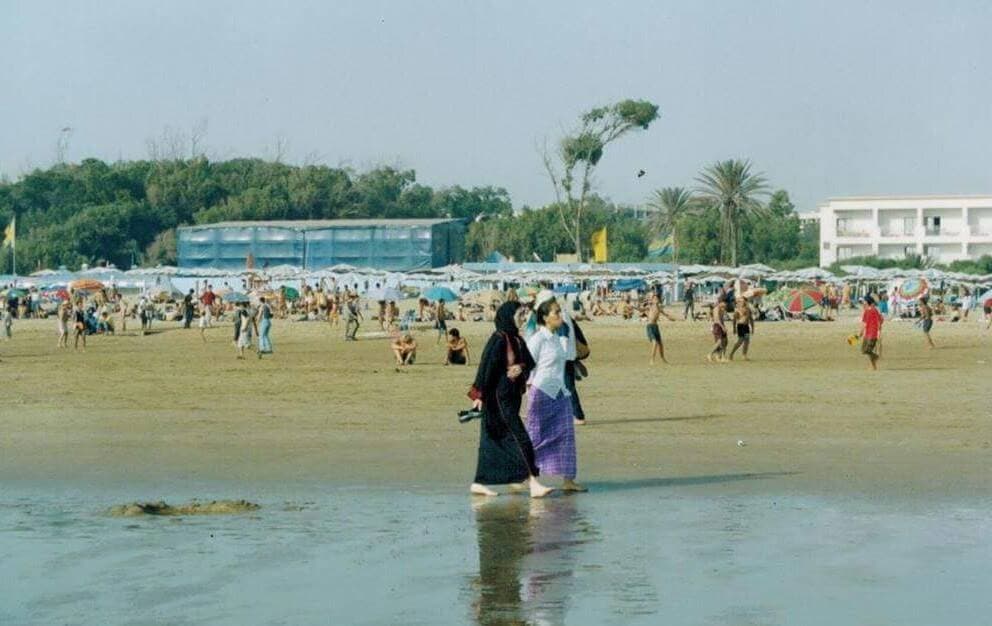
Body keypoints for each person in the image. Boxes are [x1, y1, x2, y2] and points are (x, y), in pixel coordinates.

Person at [467, 301, 553, 498]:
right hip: (498, 398)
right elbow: (485, 368)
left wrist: (520, 367)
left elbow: (529, 362)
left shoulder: (517, 339)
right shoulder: (498, 339)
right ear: (508, 316)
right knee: (519, 437)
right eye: (519, 315)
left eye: (524, 315)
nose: (523, 319)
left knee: (492, 439)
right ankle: (533, 482)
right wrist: (478, 396)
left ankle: (481, 483)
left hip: (512, 398)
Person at [524, 297, 585, 492]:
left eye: (560, 311)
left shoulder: (559, 338)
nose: (560, 315)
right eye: (556, 312)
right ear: (545, 317)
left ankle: (568, 481)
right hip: (541, 392)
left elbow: (564, 362)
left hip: (560, 392)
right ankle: (527, 477)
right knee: (536, 437)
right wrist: (525, 390)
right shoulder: (537, 339)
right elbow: (526, 366)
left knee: (566, 436)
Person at [645, 292, 674, 364]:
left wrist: (673, 318)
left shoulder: (659, 308)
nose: (656, 299)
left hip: (655, 327)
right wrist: (634, 307)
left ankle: (663, 358)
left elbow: (666, 315)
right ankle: (651, 360)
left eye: (657, 298)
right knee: (655, 343)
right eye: (655, 298)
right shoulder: (650, 306)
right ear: (653, 300)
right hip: (650, 326)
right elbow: (642, 309)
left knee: (660, 344)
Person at [859, 295, 883, 370]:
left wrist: (879, 332)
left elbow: (879, 320)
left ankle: (876, 357)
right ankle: (874, 365)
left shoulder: (874, 310)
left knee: (867, 350)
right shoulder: (866, 311)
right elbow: (864, 323)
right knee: (863, 350)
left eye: (864, 301)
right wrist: (861, 332)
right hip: (867, 334)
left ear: (867, 302)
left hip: (873, 334)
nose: (863, 303)